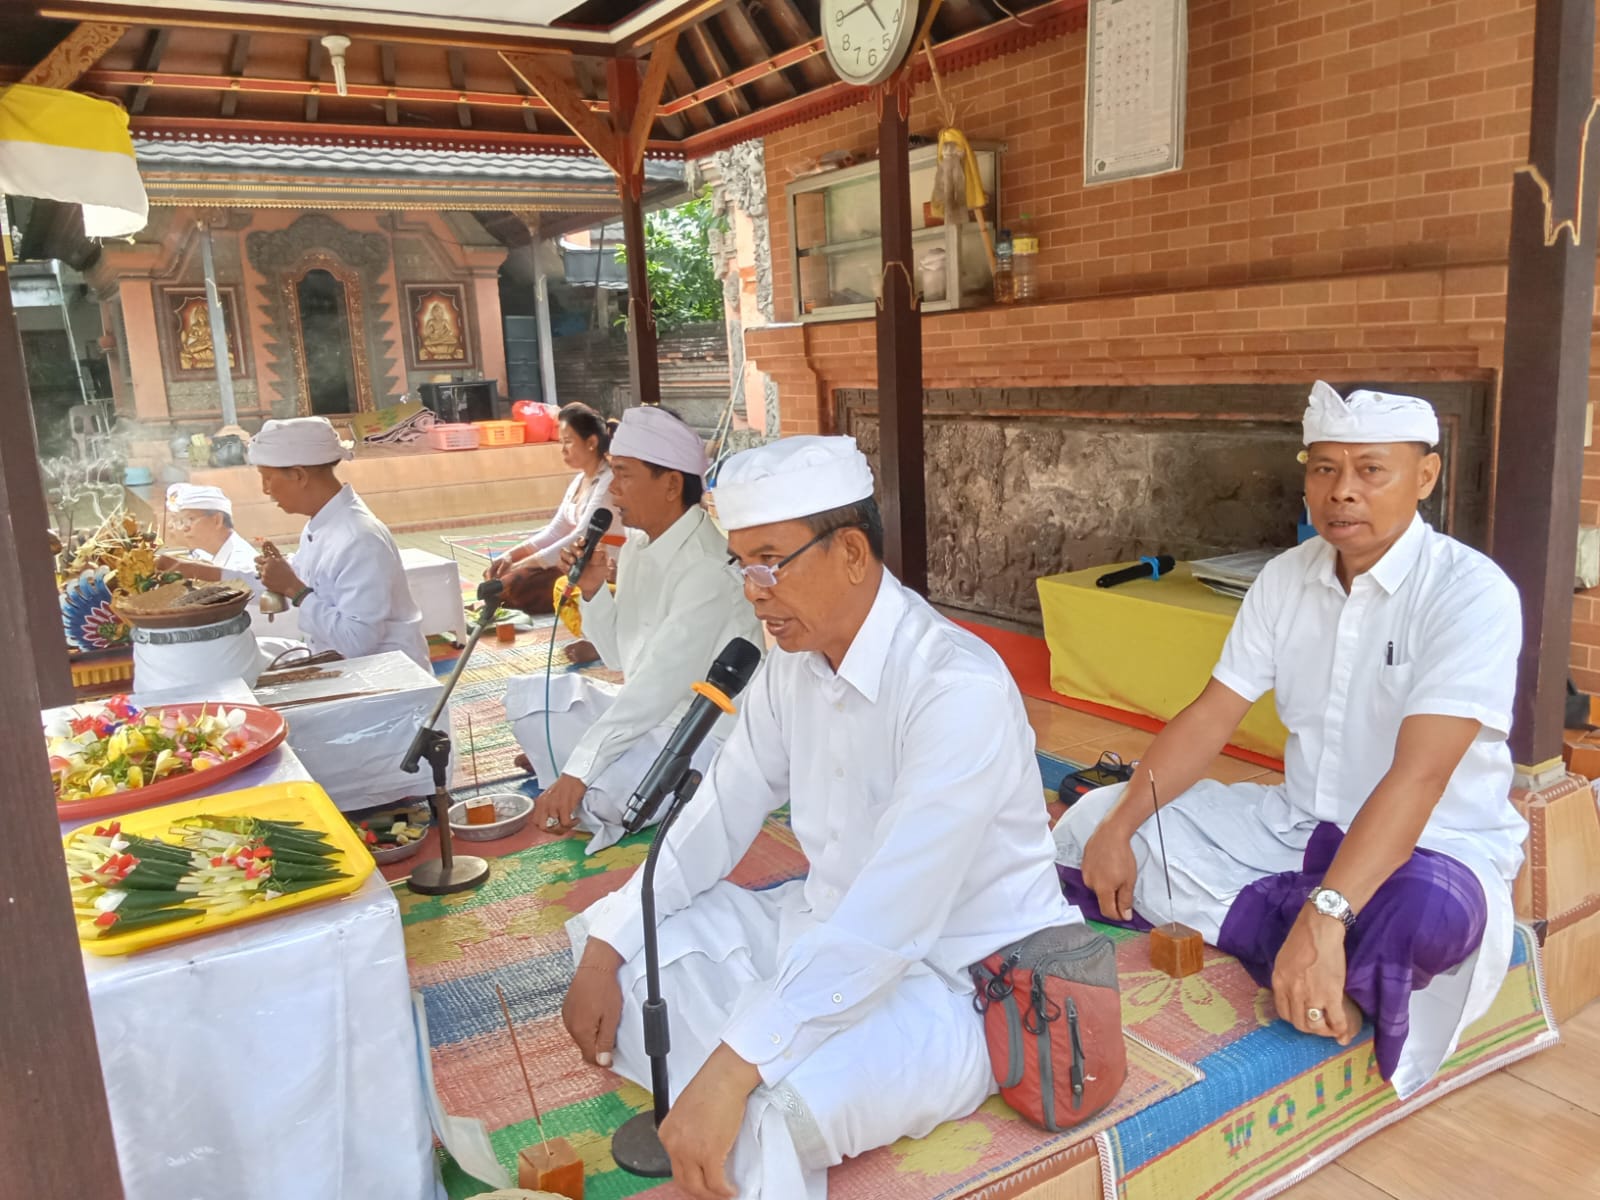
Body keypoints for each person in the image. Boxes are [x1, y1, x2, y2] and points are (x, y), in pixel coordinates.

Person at [560, 436, 1078, 1200]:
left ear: (853, 555)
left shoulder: (953, 685)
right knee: (616, 948)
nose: (754, 591)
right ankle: (740, 1056)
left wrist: (738, 1065)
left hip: (959, 983)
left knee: (764, 1115)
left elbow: (891, 916)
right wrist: (607, 947)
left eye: (769, 561)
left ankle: (745, 1075)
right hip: (820, 930)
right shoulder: (789, 668)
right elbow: (716, 817)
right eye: (741, 565)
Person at [1054, 381, 1526, 1100]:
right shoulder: (1284, 579)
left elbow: (1421, 778)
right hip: (1294, 827)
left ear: (1425, 476)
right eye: (1323, 469)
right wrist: (1122, 823)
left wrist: (1328, 911)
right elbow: (1213, 714)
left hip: (1428, 844)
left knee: (1429, 913)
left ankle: (1304, 934)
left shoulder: (1470, 592)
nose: (1342, 492)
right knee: (1094, 823)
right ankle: (1315, 953)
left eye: (1371, 470)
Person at [505, 406, 761, 853]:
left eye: (623, 474)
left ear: (671, 484)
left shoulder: (707, 571)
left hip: (700, 734)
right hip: (645, 712)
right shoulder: (641, 545)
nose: (614, 490)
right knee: (530, 700)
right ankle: (573, 773)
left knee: (610, 800)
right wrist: (592, 592)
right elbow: (621, 659)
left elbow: (656, 687)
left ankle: (573, 778)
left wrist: (579, 771)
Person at [247, 416, 429, 669]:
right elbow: (296, 577)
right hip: (346, 667)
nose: (265, 489)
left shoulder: (359, 538)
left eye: (267, 478)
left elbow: (356, 641)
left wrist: (295, 590)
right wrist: (197, 571)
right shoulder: (320, 525)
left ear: (298, 475)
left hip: (386, 683)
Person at [492, 403, 619, 662]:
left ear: (592, 442)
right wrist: (509, 557)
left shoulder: (608, 481)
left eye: (568, 442)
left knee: (514, 587)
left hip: (603, 564)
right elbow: (554, 532)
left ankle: (601, 641)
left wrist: (522, 567)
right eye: (561, 442)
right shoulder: (579, 481)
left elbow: (579, 538)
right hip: (574, 559)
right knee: (500, 582)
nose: (562, 449)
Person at [157, 483, 257, 579]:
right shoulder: (203, 552)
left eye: (190, 519)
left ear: (217, 520)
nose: (184, 528)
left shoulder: (242, 567)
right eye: (178, 520)